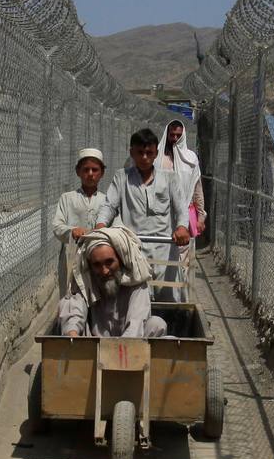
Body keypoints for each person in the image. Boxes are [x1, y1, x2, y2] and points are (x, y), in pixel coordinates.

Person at [94, 128, 191, 302]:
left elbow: (181, 208)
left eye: (149, 153)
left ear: (156, 153)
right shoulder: (122, 177)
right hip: (134, 250)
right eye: (140, 153)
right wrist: (100, 227)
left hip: (165, 249)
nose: (145, 157)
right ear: (132, 153)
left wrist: (182, 227)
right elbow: (109, 205)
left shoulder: (170, 178)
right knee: (136, 301)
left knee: (168, 298)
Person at [58, 227, 167, 338]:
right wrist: (72, 333)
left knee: (157, 324)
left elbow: (136, 324)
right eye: (97, 265)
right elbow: (75, 307)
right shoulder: (89, 280)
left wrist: (117, 350)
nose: (104, 271)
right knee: (67, 303)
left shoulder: (135, 282)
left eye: (109, 262)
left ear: (120, 259)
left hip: (131, 346)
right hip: (94, 346)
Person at [50, 147, 107, 296]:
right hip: (72, 256)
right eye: (85, 169)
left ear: (102, 173)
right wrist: (72, 231)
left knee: (99, 296)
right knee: (72, 297)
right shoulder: (67, 198)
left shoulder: (107, 201)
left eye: (95, 170)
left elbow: (117, 227)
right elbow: (57, 226)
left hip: (99, 257)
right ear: (78, 171)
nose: (90, 174)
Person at [158, 119, 205, 240]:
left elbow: (197, 189)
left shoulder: (191, 158)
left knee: (182, 251)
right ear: (167, 134)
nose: (175, 138)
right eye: (172, 135)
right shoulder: (158, 157)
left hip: (184, 215)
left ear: (183, 135)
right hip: (161, 214)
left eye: (178, 135)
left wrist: (200, 217)